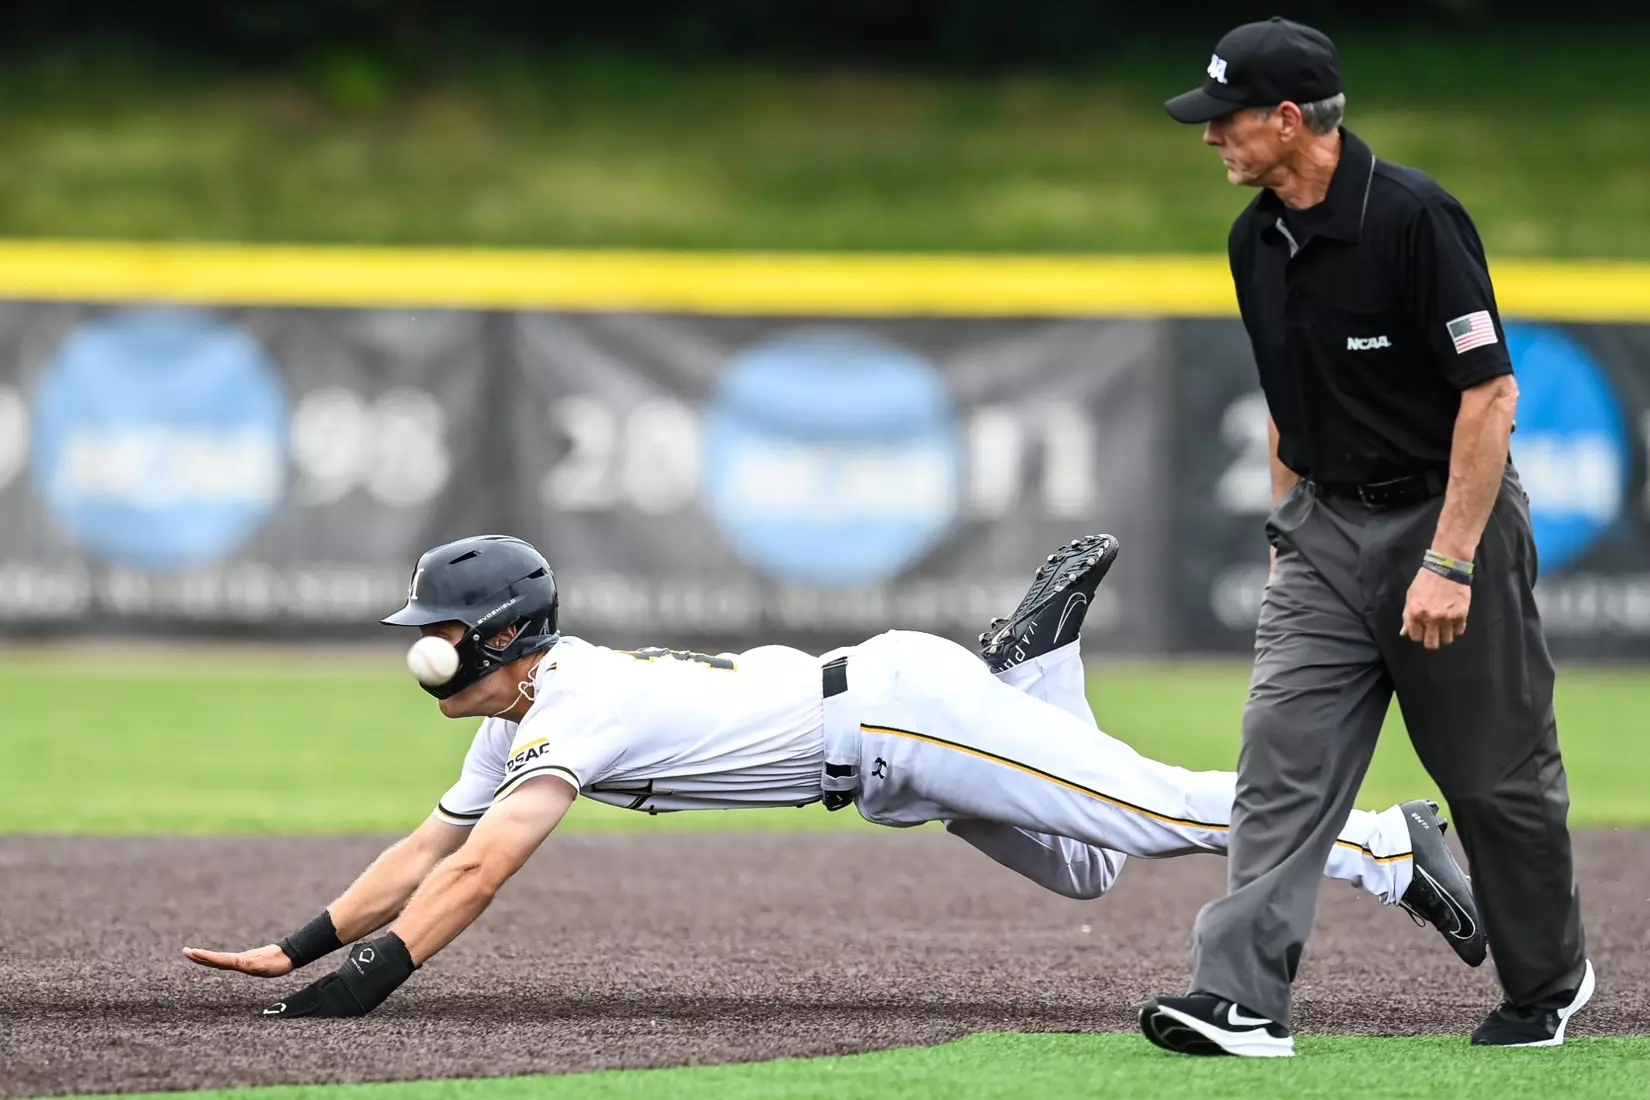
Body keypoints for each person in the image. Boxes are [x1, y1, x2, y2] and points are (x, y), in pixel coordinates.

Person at [184, 533, 1481, 1025]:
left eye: (440, 631)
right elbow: (426, 850)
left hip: (896, 716)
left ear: (500, 636)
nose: (423, 650)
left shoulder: (574, 697)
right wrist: (297, 948)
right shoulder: (517, 714)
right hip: (885, 757)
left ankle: (1386, 841)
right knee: (1085, 869)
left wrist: (370, 985)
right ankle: (1034, 669)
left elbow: (478, 871)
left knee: (1144, 818)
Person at [1140, 17, 1592, 1058]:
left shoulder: (1416, 218)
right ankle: (1241, 998)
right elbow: (1285, 398)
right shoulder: (1253, 236)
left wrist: (1448, 557)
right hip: (1322, 534)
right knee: (1279, 758)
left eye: (1226, 120)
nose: (1211, 138)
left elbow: (1490, 396)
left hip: (1443, 517)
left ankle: (1548, 981)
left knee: (1493, 777)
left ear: (1289, 120)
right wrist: (1284, 531)